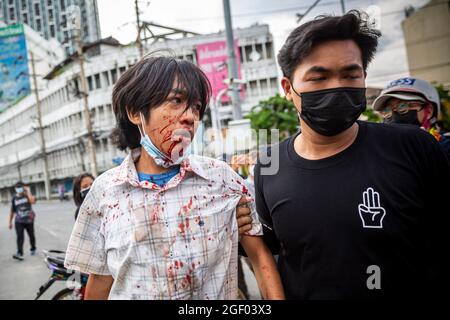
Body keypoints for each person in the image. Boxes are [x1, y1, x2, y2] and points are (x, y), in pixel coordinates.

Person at [239, 11, 449, 299]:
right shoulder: (268, 167)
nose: (336, 87)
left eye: (350, 75)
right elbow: (278, 245)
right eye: (319, 77)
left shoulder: (413, 147)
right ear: (288, 88)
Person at [64, 54, 284, 300]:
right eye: (176, 101)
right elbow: (101, 280)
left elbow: (260, 260)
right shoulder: (105, 191)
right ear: (136, 112)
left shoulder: (223, 181)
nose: (190, 116)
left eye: (196, 107)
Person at [372, 77, 450, 159]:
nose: (394, 115)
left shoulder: (445, 147)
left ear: (429, 111)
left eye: (403, 106)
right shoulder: (381, 153)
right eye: (387, 110)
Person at [8, 181, 37, 261]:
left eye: (19, 187)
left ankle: (33, 248)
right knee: (20, 237)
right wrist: (10, 222)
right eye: (17, 188)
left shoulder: (27, 195)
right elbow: (12, 211)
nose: (18, 189)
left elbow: (33, 201)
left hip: (29, 220)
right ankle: (19, 253)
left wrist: (28, 191)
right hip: (19, 221)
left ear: (23, 188)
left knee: (31, 235)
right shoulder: (14, 198)